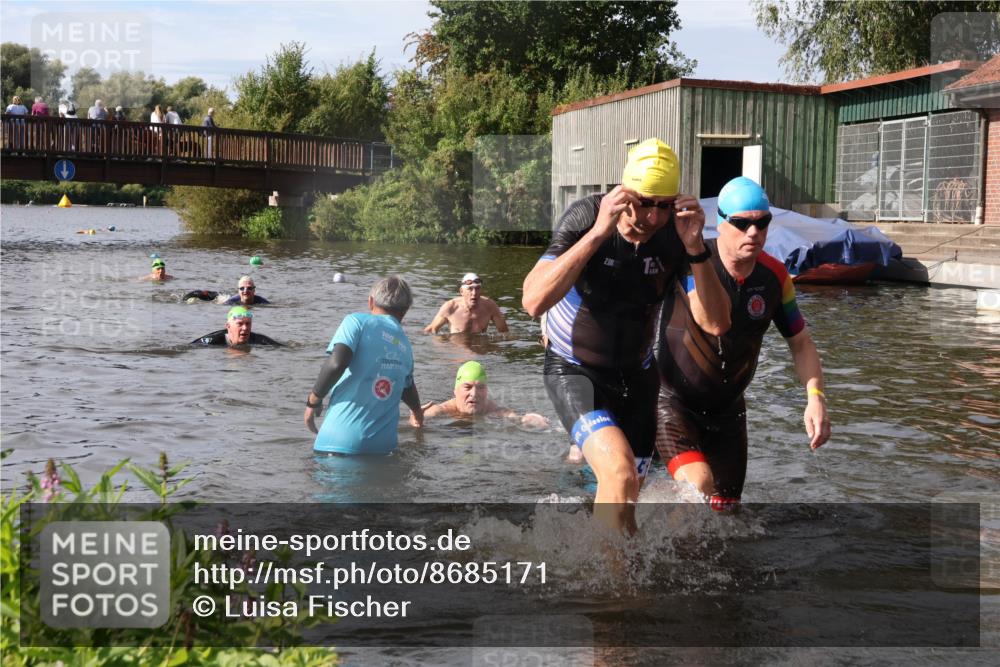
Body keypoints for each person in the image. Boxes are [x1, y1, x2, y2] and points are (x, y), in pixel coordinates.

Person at [521, 138, 731, 532]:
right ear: (624, 194)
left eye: (664, 204)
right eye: (644, 202)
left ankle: (612, 569)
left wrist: (697, 249)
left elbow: (716, 324)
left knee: (627, 494)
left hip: (636, 378)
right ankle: (613, 593)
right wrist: (598, 234)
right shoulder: (587, 215)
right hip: (574, 370)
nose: (652, 217)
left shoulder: (676, 234)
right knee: (619, 475)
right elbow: (532, 301)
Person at [656, 177, 831, 510]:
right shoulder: (691, 259)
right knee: (698, 484)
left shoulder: (776, 277)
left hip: (728, 412)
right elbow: (707, 318)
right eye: (742, 223)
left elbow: (801, 342)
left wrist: (816, 397)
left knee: (727, 514)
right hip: (673, 404)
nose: (754, 233)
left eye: (762, 223)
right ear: (721, 223)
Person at [304, 276, 424, 455]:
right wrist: (417, 412)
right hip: (383, 450)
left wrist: (313, 401)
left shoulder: (356, 322)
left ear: (371, 302)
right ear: (406, 310)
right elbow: (407, 387)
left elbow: (337, 364)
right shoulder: (405, 345)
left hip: (337, 443)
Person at [417, 361, 549, 428]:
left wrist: (527, 420)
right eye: (467, 387)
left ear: (486, 391)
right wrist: (417, 418)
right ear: (455, 391)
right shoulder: (443, 410)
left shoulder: (492, 410)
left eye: (480, 387)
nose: (474, 394)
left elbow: (513, 417)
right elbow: (423, 418)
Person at [423, 273, 509, 334]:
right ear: (461, 291)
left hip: (480, 352)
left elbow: (505, 333)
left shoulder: (490, 306)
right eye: (470, 289)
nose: (474, 293)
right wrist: (442, 348)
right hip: (457, 352)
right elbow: (431, 331)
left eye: (477, 288)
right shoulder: (451, 307)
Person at [191, 306, 280, 347]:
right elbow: (190, 347)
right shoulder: (213, 340)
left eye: (248, 324)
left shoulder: (258, 339)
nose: (245, 328)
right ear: (228, 326)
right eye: (240, 324)